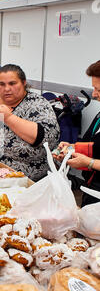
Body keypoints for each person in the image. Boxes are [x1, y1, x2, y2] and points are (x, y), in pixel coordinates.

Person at [53, 60, 100, 206]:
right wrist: (71, 149)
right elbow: (96, 146)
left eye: (99, 89)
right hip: (92, 189)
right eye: (94, 88)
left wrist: (89, 162)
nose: (94, 94)